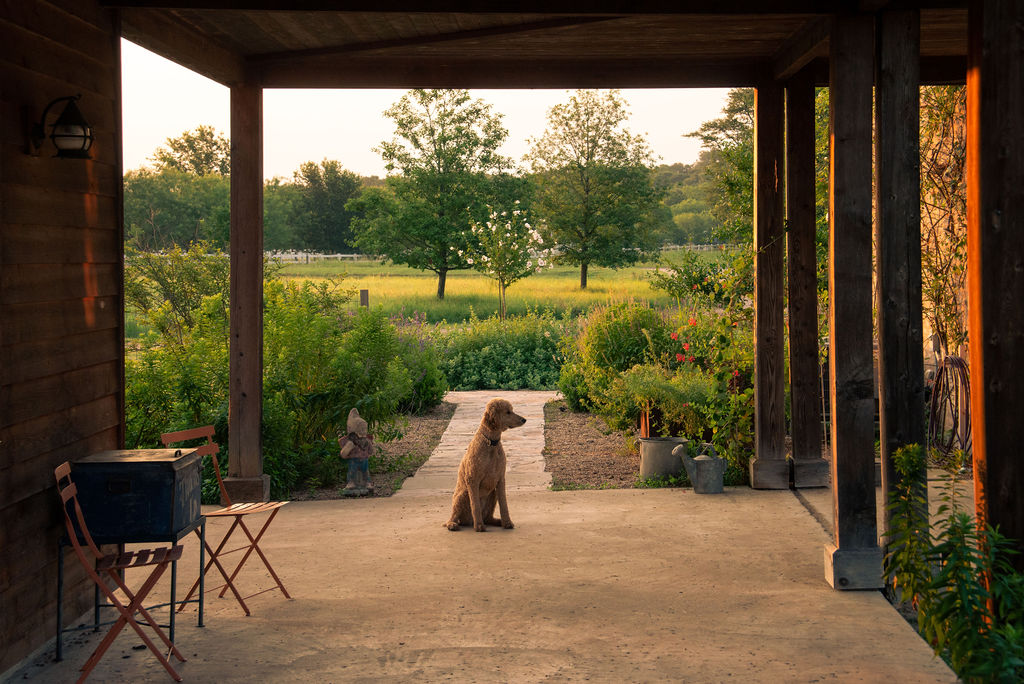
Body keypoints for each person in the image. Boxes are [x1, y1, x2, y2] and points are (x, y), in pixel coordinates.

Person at [338, 407, 374, 494]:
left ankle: (367, 483)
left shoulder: (367, 440)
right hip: (354, 459)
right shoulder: (351, 442)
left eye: (365, 429)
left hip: (364, 460)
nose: (364, 432)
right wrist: (349, 447)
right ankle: (351, 482)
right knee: (352, 470)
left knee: (365, 471)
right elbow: (343, 454)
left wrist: (370, 447)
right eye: (361, 429)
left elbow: (371, 451)